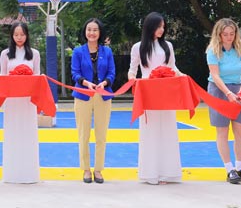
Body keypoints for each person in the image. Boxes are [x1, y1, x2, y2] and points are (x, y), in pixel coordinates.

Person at [128, 12, 183, 184]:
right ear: (150, 26)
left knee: (168, 130)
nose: (162, 30)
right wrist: (133, 81)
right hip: (148, 93)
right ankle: (150, 173)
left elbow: (173, 68)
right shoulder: (138, 47)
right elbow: (132, 70)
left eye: (163, 27)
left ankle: (168, 173)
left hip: (166, 93)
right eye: (159, 26)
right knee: (149, 131)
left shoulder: (168, 46)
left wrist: (184, 77)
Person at [205, 18, 241, 184]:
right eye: (225, 34)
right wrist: (228, 93)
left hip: (238, 88)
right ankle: (229, 169)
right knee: (222, 131)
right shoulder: (213, 50)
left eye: (232, 33)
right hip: (219, 90)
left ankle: (240, 167)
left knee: (240, 129)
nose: (229, 37)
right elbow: (215, 74)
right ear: (219, 34)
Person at [71, 18, 115, 184]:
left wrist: (104, 83)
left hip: (103, 95)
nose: (92, 32)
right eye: (89, 29)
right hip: (83, 95)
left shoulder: (107, 52)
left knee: (101, 135)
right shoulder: (78, 51)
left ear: (100, 32)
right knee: (83, 134)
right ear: (85, 32)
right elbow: (74, 73)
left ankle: (98, 170)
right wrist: (86, 83)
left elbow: (112, 73)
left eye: (95, 30)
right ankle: (86, 169)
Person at [0, 20, 42, 184]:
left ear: (27, 35)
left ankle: (29, 173)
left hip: (27, 100)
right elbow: (2, 76)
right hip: (11, 100)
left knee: (28, 133)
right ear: (11, 36)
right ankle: (12, 173)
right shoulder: (5, 54)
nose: (19, 37)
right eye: (16, 34)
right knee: (12, 133)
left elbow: (37, 76)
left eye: (22, 34)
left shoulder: (35, 54)